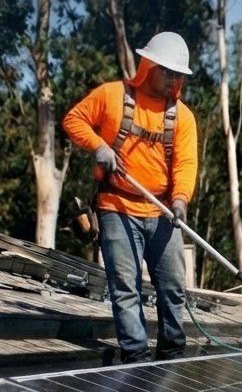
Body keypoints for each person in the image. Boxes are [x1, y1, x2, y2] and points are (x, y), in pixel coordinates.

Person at [63, 32, 198, 363]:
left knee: (173, 288)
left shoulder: (182, 117)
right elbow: (73, 120)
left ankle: (171, 356)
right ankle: (137, 359)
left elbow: (186, 163)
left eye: (179, 74)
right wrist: (99, 146)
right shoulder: (112, 96)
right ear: (148, 66)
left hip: (163, 212)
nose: (174, 80)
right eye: (168, 71)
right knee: (126, 287)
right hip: (117, 206)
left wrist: (180, 200)